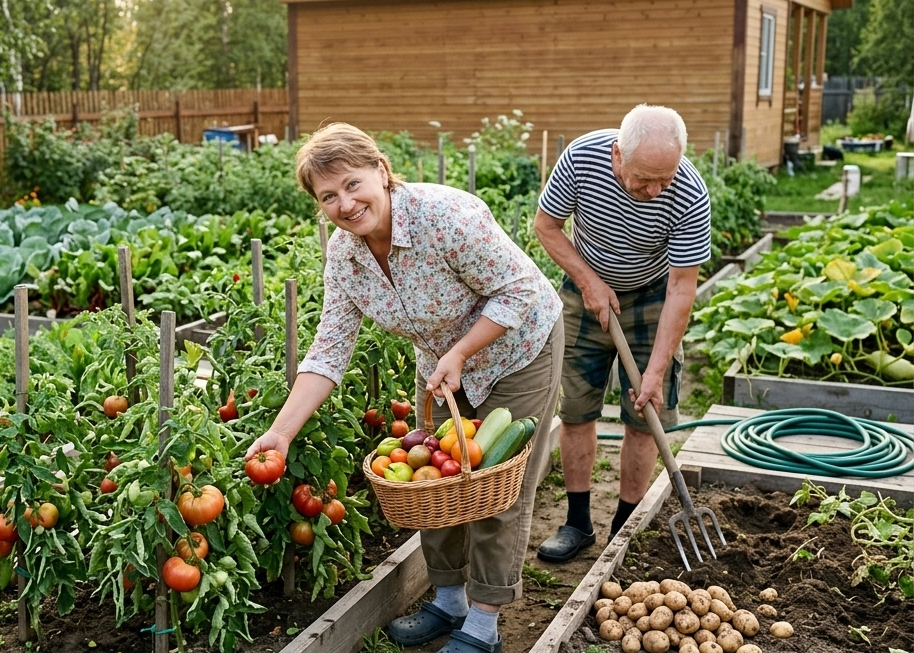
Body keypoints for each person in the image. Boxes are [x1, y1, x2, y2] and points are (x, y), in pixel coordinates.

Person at [246, 123, 563, 653]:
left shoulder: (447, 217)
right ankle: (448, 600)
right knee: (430, 479)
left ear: (383, 173)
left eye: (352, 184)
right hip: (442, 363)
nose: (345, 204)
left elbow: (521, 289)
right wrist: (281, 433)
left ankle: (484, 622)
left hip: (517, 348)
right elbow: (328, 351)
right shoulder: (345, 257)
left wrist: (461, 352)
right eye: (328, 196)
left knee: (495, 484)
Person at [532, 105, 711, 563]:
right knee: (575, 411)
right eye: (644, 179)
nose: (655, 190)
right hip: (583, 289)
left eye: (663, 179)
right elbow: (547, 227)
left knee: (644, 417)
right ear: (617, 156)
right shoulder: (582, 158)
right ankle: (577, 523)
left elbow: (682, 286)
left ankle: (622, 527)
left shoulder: (689, 192)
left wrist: (655, 370)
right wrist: (589, 281)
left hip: (653, 296)